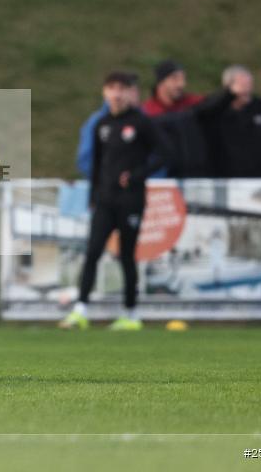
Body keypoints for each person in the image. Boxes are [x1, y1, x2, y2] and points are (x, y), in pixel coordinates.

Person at [60, 71, 170, 331]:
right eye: (112, 88)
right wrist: (92, 197)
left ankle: (131, 314)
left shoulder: (142, 123)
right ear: (105, 92)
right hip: (104, 201)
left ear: (130, 92)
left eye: (122, 88)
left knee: (127, 257)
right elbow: (97, 166)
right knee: (93, 253)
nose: (117, 94)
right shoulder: (102, 125)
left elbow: (165, 154)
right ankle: (80, 310)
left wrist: (136, 176)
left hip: (131, 201)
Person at [209, 65, 261, 178]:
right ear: (228, 87)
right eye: (242, 85)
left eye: (249, 85)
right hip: (226, 178)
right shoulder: (216, 111)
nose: (247, 90)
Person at [76, 74, 140, 178]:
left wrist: (144, 177)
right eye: (128, 90)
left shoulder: (144, 121)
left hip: (140, 188)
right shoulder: (96, 122)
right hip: (107, 188)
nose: (134, 95)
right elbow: (86, 160)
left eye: (135, 91)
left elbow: (157, 155)